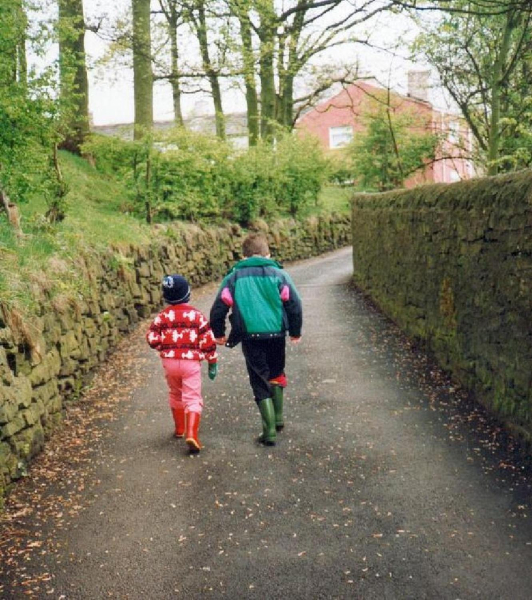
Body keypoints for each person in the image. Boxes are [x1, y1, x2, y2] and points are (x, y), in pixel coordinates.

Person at [209, 233, 302, 446]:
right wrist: (295, 331)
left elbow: (219, 308)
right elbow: (294, 304)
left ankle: (269, 431)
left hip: (250, 336)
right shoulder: (279, 275)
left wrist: (219, 332)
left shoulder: (233, 278)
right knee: (276, 371)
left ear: (243, 257)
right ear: (268, 254)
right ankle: (278, 418)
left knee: (259, 378)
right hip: (277, 333)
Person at [146, 274, 218, 453]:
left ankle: (179, 429)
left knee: (176, 393)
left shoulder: (162, 317)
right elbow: (208, 341)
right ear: (188, 294)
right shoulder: (196, 316)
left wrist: (163, 346)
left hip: (169, 362)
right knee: (192, 397)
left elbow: (152, 337)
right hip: (190, 363)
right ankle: (191, 433)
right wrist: (212, 362)